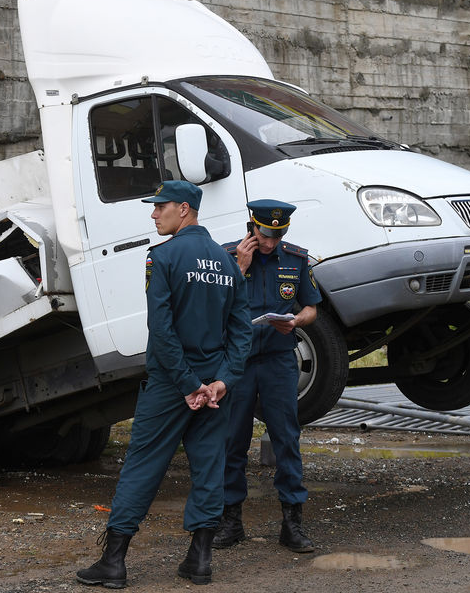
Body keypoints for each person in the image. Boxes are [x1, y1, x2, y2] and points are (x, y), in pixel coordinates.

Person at [76, 180, 252, 588]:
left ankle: (114, 562)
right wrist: (221, 382)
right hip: (213, 388)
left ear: (184, 209)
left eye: (161, 206)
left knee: (143, 465)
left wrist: (188, 383)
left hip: (173, 385)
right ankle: (200, 560)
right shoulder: (228, 263)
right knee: (210, 467)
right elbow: (242, 332)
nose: (154, 214)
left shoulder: (164, 256)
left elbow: (161, 328)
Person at [213, 199, 321, 553]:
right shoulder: (227, 256)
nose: (270, 242)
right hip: (237, 364)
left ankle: (292, 524)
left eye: (278, 235)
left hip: (278, 361)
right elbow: (212, 305)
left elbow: (312, 307)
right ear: (251, 225)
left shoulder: (296, 259)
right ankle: (231, 521)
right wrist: (240, 268)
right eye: (264, 234)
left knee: (287, 439)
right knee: (233, 441)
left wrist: (297, 320)